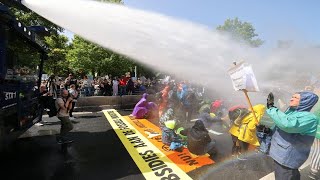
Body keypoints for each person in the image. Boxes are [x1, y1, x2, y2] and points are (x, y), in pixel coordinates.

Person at [266, 91, 319, 180]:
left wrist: (271, 108)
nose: (291, 99)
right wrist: (268, 131)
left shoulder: (310, 118)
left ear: (305, 102)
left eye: (296, 98)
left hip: (287, 158)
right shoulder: (293, 112)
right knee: (291, 176)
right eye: (292, 96)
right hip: (282, 155)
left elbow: (287, 125)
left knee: (285, 175)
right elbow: (280, 126)